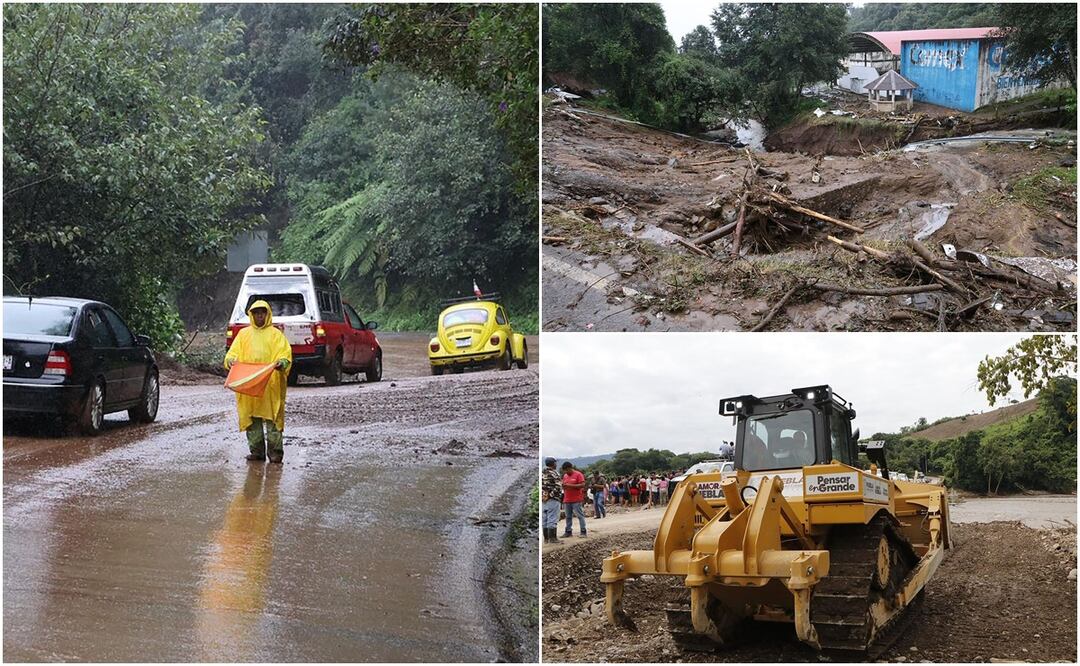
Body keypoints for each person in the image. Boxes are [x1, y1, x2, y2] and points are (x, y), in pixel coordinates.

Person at [224, 300, 292, 464]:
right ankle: (256, 451)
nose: (259, 316)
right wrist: (231, 361)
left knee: (273, 418)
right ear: (251, 315)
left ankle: (275, 453)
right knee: (252, 418)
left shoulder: (276, 335)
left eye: (262, 313)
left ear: (267, 314)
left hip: (270, 384)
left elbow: (285, 355)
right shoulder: (243, 335)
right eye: (256, 313)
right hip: (249, 385)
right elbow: (231, 355)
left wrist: (281, 363)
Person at [561, 462, 587, 537]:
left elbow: (582, 485)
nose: (566, 472)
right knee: (568, 516)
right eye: (564, 471)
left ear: (570, 468)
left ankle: (583, 531)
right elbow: (564, 485)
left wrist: (570, 485)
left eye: (566, 470)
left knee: (580, 515)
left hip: (576, 499)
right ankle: (568, 531)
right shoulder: (565, 476)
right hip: (567, 499)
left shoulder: (578, 474)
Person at [541, 458, 563, 544]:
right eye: (555, 463)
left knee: (544, 519)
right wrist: (551, 495)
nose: (556, 464)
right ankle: (553, 539)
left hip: (543, 499)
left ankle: (546, 539)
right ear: (553, 464)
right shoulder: (554, 473)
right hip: (553, 498)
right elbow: (558, 487)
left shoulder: (542, 472)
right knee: (552, 518)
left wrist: (544, 496)